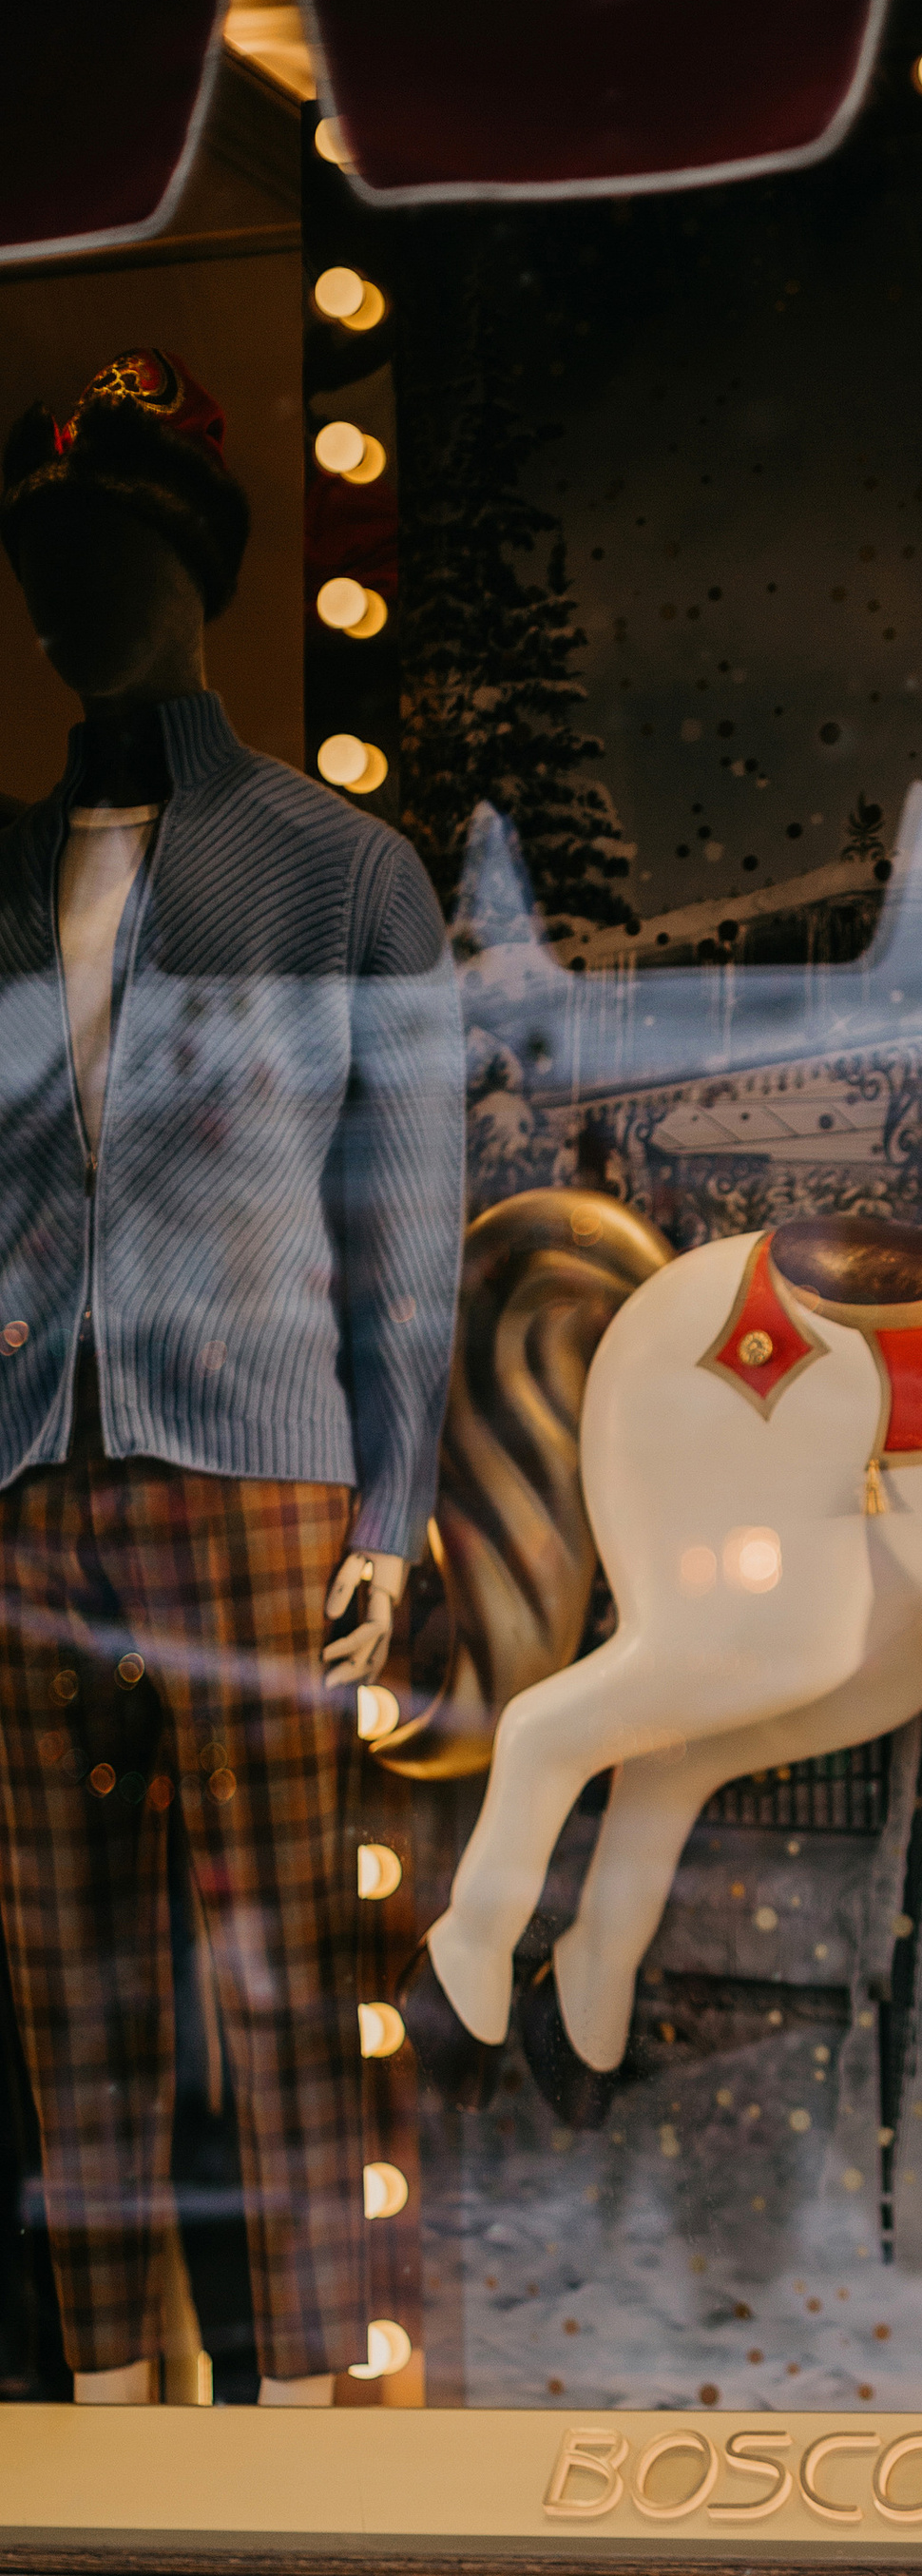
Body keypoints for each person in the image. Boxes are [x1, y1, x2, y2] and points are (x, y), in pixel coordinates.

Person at [0, 348, 462, 2403]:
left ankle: (319, 2396)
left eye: (112, 552)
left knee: (283, 1962)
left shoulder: (335, 866)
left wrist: (395, 1495)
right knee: (65, 1972)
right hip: (27, 1471)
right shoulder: (0, 873)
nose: (67, 602)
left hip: (256, 1460)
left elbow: (405, 1217)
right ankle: (116, 2388)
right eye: (43, 562)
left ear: (199, 573)